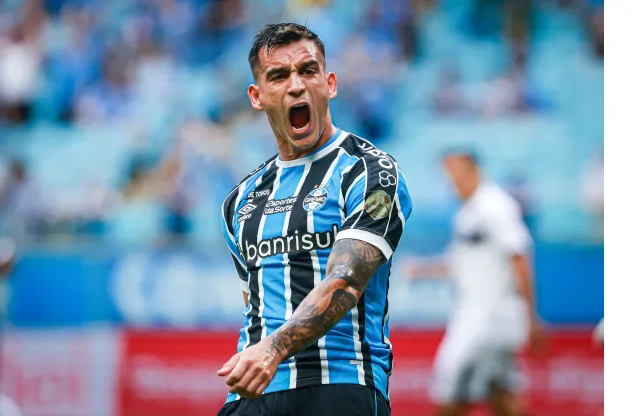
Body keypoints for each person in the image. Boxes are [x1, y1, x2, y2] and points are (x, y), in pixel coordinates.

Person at [216, 23, 413, 416]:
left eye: (307, 70)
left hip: (341, 387)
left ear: (330, 83)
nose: (296, 85)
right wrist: (262, 356)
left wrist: (274, 349)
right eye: (278, 75)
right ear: (257, 96)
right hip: (254, 396)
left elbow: (346, 282)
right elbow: (254, 304)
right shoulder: (239, 201)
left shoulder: (371, 172)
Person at [406, 149, 544, 416]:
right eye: (447, 175)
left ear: (473, 170)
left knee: (450, 387)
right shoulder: (468, 213)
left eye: (455, 173)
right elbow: (461, 265)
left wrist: (532, 317)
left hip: (487, 318)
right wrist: (423, 270)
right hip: (484, 316)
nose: (451, 181)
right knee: (501, 392)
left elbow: (520, 256)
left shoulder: (494, 205)